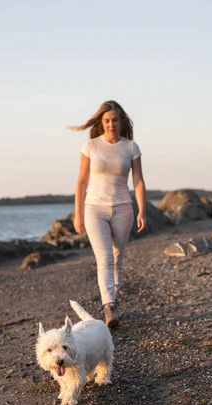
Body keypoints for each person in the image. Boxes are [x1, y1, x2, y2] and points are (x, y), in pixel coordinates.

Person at [70, 100, 147, 329]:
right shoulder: (91, 146)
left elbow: (139, 180)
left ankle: (114, 293)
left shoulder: (131, 147)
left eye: (114, 120)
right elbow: (82, 181)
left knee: (117, 254)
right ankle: (109, 305)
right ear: (101, 123)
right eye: (106, 121)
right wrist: (78, 214)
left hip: (123, 207)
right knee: (104, 258)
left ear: (121, 121)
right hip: (94, 208)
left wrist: (142, 209)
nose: (111, 124)